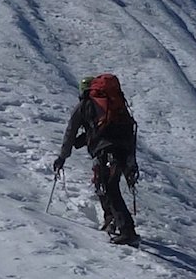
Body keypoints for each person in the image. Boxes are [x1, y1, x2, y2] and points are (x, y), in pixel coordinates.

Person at [54, 71, 140, 244]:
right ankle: (113, 219)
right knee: (107, 184)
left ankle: (126, 229)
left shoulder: (85, 105)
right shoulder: (112, 105)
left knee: (108, 186)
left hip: (106, 150)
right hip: (124, 147)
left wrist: (62, 157)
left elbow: (71, 131)